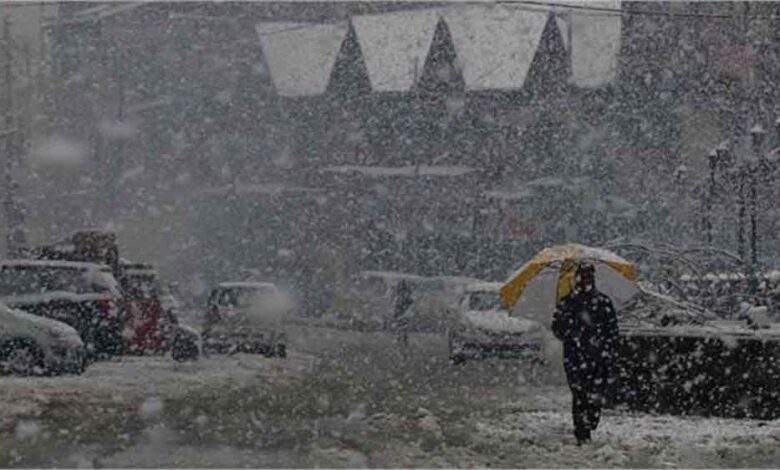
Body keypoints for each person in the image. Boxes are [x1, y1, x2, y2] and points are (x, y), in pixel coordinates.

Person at [551, 262, 620, 445]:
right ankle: (582, 431)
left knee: (593, 395)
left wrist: (604, 346)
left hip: (596, 358)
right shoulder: (568, 302)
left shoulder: (603, 302)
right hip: (576, 357)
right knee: (580, 394)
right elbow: (557, 328)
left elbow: (613, 331)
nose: (586, 280)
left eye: (589, 276)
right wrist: (573, 335)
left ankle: (588, 423)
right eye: (583, 276)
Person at [392, 279, 414, 347]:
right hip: (403, 310)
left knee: (401, 325)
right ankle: (402, 339)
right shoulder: (404, 294)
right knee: (403, 325)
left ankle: (401, 339)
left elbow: (410, 301)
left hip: (402, 310)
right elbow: (410, 301)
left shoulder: (401, 295)